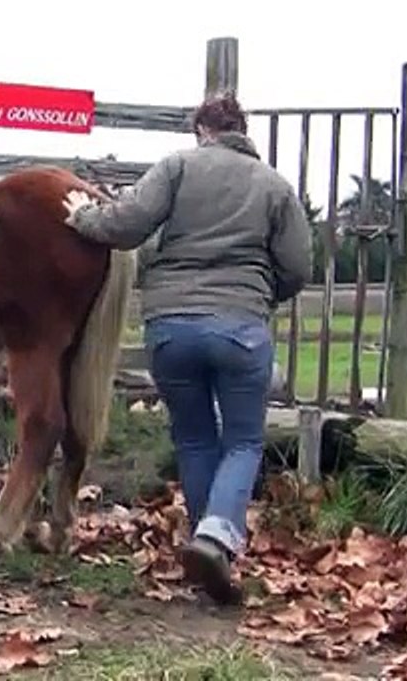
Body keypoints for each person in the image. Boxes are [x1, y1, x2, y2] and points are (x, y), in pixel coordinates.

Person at [61, 92, 312, 605]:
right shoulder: (275, 187)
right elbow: (297, 269)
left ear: (202, 130)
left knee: (195, 441)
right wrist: (259, 295)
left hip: (170, 330)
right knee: (242, 441)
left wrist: (84, 216)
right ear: (244, 132)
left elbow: (126, 226)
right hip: (240, 329)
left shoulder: (177, 167)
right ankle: (215, 537)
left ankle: (207, 544)